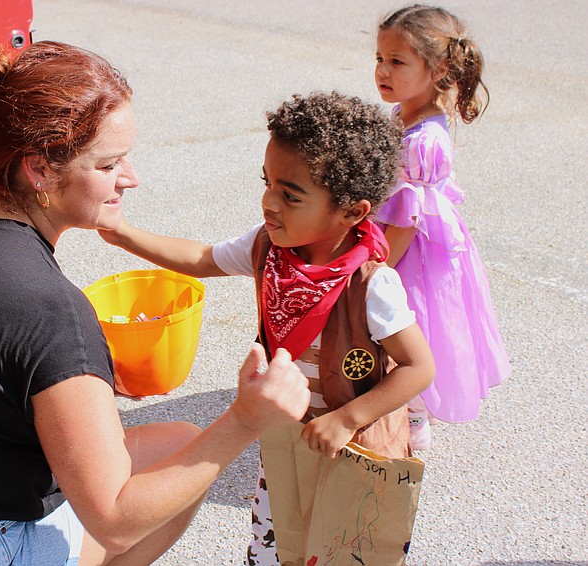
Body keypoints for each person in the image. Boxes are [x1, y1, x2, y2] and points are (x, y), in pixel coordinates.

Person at [0, 26, 313, 566]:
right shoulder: (51, 309)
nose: (132, 178)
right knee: (183, 464)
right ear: (38, 169)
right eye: (108, 164)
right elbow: (116, 519)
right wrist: (242, 421)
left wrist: (87, 382)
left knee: (175, 439)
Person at [99, 91, 436, 565]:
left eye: (290, 195)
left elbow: (419, 367)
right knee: (280, 538)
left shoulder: (371, 286)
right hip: (287, 438)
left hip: (352, 446)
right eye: (268, 182)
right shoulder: (270, 249)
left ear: (352, 212)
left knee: (342, 545)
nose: (268, 202)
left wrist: (347, 420)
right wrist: (123, 234)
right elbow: (200, 259)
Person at [374, 4, 511, 449]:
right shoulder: (406, 114)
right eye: (379, 58)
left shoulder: (426, 140)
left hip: (414, 250)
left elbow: (411, 217)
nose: (382, 70)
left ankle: (413, 414)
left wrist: (379, 264)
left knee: (409, 322)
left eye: (397, 61)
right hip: (399, 234)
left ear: (438, 69)